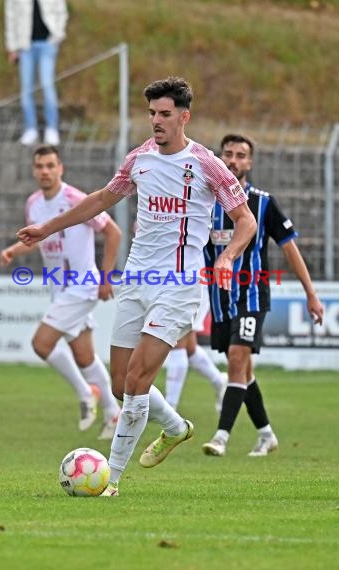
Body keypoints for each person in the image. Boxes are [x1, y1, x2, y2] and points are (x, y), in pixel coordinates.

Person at [17, 77, 257, 497]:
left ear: (185, 116)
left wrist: (226, 256)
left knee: (137, 380)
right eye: (151, 113)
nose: (156, 121)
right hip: (136, 280)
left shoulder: (206, 164)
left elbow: (246, 221)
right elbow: (99, 200)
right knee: (119, 383)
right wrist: (46, 228)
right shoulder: (139, 160)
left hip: (179, 285)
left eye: (164, 114)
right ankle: (175, 426)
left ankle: (111, 478)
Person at [202, 133, 324, 458]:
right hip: (220, 300)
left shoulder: (263, 203)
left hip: (252, 296)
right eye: (228, 154)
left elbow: (291, 250)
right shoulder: (205, 202)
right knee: (242, 369)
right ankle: (266, 434)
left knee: (238, 359)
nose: (233, 160)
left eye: (241, 155)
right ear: (219, 157)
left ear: (250, 162)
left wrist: (311, 294)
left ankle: (221, 436)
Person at [0, 145, 122, 439]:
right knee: (84, 356)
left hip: (83, 285)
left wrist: (106, 277)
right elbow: (41, 236)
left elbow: (113, 232)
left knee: (41, 344)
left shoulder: (74, 198)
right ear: (34, 170)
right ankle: (113, 414)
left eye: (50, 165)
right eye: (40, 166)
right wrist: (15, 251)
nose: (45, 171)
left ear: (60, 168)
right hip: (60, 290)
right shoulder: (33, 204)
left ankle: (85, 393)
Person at [4, 0, 68, 146]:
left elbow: (61, 10)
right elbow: (10, 17)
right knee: (27, 88)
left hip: (48, 43)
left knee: (47, 84)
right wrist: (12, 47)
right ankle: (30, 129)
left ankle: (52, 128)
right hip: (25, 45)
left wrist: (58, 34)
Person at [164, 287, 227, 412]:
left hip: (193, 282)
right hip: (183, 282)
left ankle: (169, 408)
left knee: (177, 342)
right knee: (189, 347)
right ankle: (219, 380)